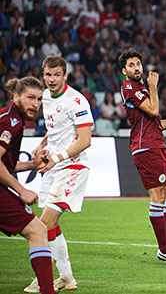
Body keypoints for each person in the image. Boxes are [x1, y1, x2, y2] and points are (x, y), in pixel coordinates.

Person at [24, 56, 94, 293]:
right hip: (52, 167)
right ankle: (66, 277)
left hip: (73, 167)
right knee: (49, 227)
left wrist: (57, 157)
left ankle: (42, 278)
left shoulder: (76, 100)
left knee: (41, 225)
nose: (51, 79)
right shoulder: (44, 97)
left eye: (56, 75)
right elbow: (55, 129)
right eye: (47, 75)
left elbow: (85, 140)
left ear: (65, 76)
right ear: (42, 75)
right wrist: (42, 144)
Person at [118, 48, 166, 265]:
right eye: (131, 65)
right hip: (145, 148)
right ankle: (165, 248)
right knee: (158, 197)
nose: (136, 67)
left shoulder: (140, 87)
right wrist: (152, 87)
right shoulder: (129, 87)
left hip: (158, 144)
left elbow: (156, 123)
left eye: (138, 63)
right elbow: (153, 110)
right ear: (124, 71)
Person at [0, 77, 55, 294]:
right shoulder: (11, 123)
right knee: (37, 230)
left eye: (39, 99)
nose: (35, 104)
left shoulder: (11, 118)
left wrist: (32, 165)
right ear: (16, 97)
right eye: (30, 98)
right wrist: (21, 189)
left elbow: (5, 165)